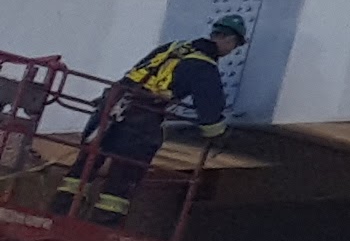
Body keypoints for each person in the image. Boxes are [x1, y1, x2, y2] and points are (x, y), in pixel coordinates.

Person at [86, 14, 243, 223]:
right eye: (234, 46)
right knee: (126, 172)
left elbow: (134, 73)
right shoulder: (204, 66)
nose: (231, 51)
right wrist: (220, 136)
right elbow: (210, 113)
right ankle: (105, 222)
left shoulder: (173, 48)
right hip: (141, 119)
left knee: (86, 162)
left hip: (111, 106)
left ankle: (62, 208)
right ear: (229, 40)